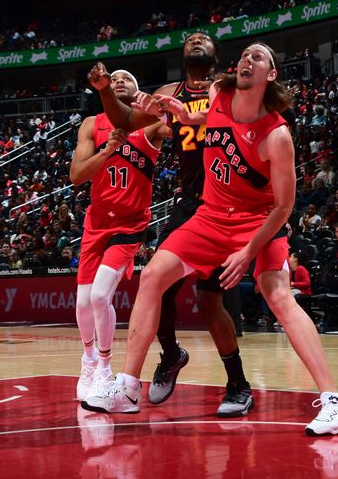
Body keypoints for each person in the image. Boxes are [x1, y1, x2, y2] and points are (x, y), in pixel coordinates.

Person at [83, 42, 338, 436]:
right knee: (154, 275)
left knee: (276, 293)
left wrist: (247, 252)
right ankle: (127, 387)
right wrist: (179, 113)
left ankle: (335, 402)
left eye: (259, 57)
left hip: (258, 220)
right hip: (209, 214)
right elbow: (204, 120)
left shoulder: (277, 135)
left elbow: (283, 207)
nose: (247, 59)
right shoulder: (219, 94)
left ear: (271, 74)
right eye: (245, 55)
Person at [87, 33, 254, 417]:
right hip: (190, 203)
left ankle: (239, 385)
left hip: (229, 204)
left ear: (216, 53)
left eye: (204, 38)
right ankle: (170, 355)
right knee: (156, 283)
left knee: (211, 303)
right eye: (190, 39)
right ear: (182, 56)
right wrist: (104, 92)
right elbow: (125, 121)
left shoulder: (229, 87)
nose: (196, 40)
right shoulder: (167, 91)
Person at [70, 70, 165, 401]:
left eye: (128, 78)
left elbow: (183, 127)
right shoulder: (90, 125)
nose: (120, 80)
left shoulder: (150, 125)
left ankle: (106, 367)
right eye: (116, 77)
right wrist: (107, 151)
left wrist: (157, 107)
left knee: (99, 297)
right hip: (96, 221)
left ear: (137, 91)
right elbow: (77, 175)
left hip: (130, 222)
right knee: (83, 303)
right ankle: (89, 359)